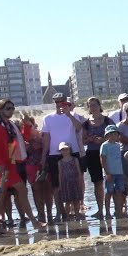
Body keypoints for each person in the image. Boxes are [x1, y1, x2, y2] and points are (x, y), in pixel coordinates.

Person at [0, 99, 42, 234]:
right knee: (4, 193)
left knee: (5, 193)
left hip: (10, 163)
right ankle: (33, 222)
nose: (11, 111)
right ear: (0, 109)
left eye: (12, 108)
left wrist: (26, 125)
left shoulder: (9, 125)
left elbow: (22, 139)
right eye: (8, 108)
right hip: (3, 166)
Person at [39, 93, 84, 223]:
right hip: (54, 153)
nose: (60, 104)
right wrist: (43, 157)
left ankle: (77, 211)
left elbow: (79, 128)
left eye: (62, 102)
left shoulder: (73, 115)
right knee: (56, 185)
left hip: (72, 151)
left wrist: (69, 114)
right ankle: (60, 211)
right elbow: (46, 139)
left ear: (66, 102)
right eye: (57, 102)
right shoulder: (48, 118)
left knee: (75, 182)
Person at [80, 97, 113, 219]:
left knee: (111, 180)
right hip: (92, 154)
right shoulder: (86, 124)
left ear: (99, 106)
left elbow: (116, 136)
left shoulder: (107, 121)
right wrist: (90, 139)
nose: (93, 107)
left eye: (95, 104)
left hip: (108, 153)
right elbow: (83, 141)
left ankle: (111, 210)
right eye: (90, 105)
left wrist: (103, 140)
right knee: (97, 182)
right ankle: (100, 210)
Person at [99, 125, 127, 218]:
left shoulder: (118, 145)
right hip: (109, 172)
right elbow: (103, 159)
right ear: (106, 136)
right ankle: (107, 212)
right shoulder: (105, 145)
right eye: (110, 134)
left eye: (115, 134)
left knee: (119, 191)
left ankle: (118, 210)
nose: (113, 136)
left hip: (119, 172)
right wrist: (107, 172)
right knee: (109, 192)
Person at [55, 143, 84, 220]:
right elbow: (60, 174)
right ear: (60, 151)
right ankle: (67, 216)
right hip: (65, 183)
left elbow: (79, 171)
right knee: (67, 201)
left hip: (75, 181)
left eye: (66, 149)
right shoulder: (60, 162)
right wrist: (60, 185)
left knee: (76, 200)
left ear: (70, 150)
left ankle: (77, 214)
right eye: (63, 150)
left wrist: (80, 181)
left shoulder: (75, 159)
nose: (65, 151)